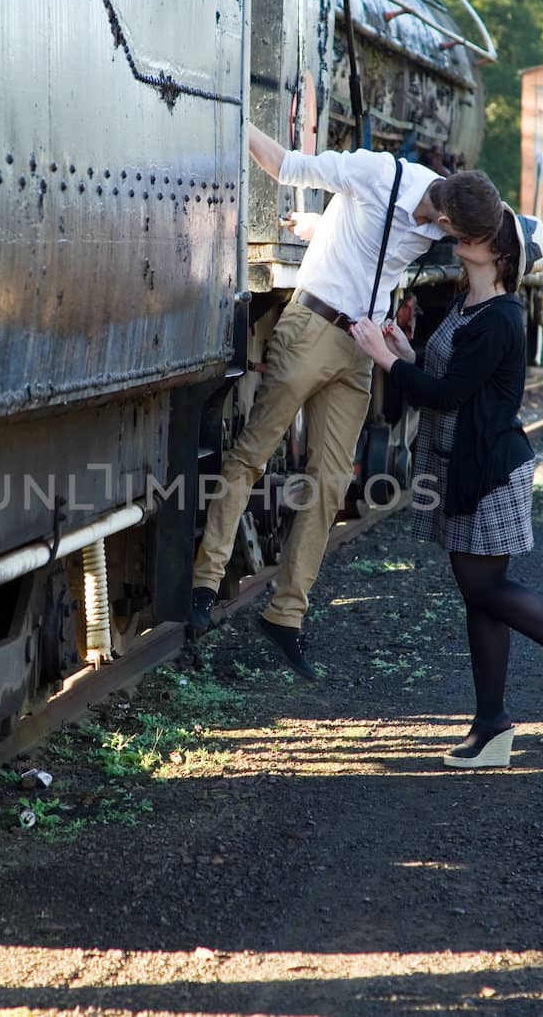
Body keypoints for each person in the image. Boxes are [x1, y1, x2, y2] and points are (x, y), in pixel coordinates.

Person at [350, 171, 543, 769]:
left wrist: (385, 361)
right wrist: (406, 353)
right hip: (460, 465)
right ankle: (492, 728)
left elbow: (449, 396)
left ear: (499, 251)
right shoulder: (470, 303)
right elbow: (445, 376)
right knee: (479, 597)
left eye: (474, 234)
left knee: (485, 588)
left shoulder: (502, 317)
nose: (459, 236)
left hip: (487, 473)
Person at [189, 122, 485, 681]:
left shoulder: (444, 213)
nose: (462, 251)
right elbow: (284, 166)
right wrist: (232, 114)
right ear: (446, 221)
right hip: (311, 328)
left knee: (329, 483)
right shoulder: (376, 174)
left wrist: (322, 226)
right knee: (252, 455)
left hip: (361, 349)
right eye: (461, 241)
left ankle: (285, 617)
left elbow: (504, 235)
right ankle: (206, 584)